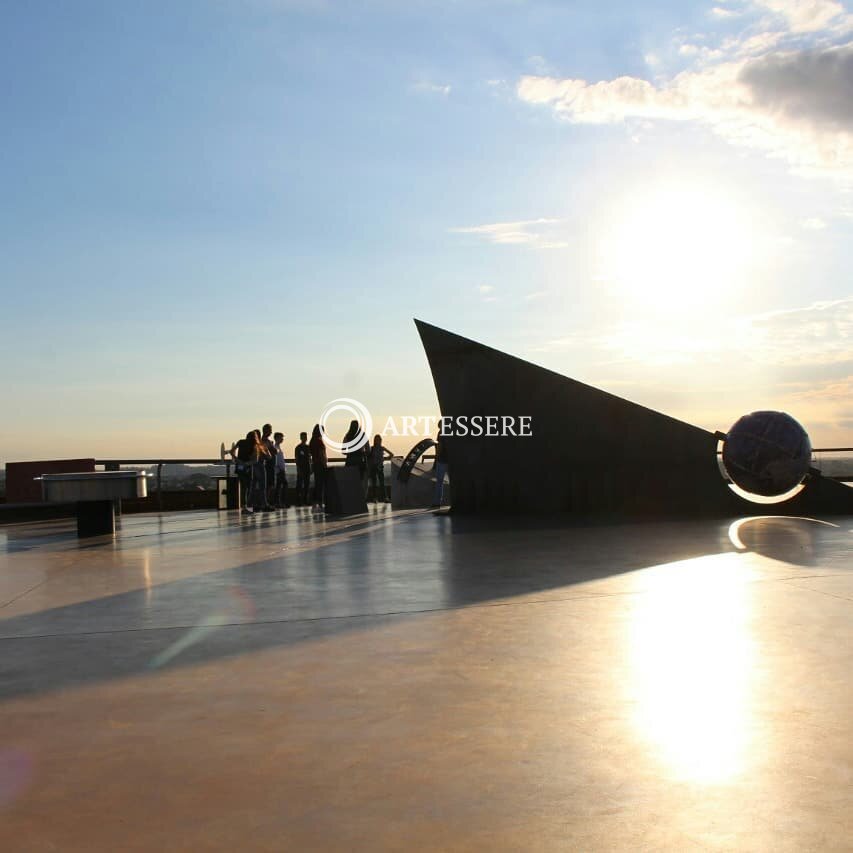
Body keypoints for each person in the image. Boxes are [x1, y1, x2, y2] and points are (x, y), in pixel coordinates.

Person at [234, 430, 264, 513]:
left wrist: (237, 460)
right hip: (248, 468)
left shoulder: (240, 442)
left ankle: (243, 506)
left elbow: (232, 451)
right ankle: (247, 507)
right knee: (248, 488)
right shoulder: (255, 445)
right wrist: (246, 463)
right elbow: (255, 460)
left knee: (243, 487)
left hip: (239, 467)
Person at [343, 419, 368, 492]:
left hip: (350, 461)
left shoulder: (347, 436)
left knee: (350, 481)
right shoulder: (363, 436)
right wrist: (362, 453)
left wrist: (350, 452)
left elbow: (343, 451)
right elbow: (368, 449)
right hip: (360, 461)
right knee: (360, 480)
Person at [309, 424, 327, 511]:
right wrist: (324, 463)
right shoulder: (319, 441)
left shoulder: (312, 441)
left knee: (317, 484)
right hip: (320, 464)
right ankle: (320, 503)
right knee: (320, 484)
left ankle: (315, 503)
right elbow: (321, 454)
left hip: (315, 464)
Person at [367, 434, 388, 502]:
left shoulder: (378, 448)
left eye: (379, 440)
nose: (378, 441)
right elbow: (369, 458)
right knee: (375, 483)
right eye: (377, 440)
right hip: (374, 467)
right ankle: (376, 498)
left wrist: (383, 459)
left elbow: (391, 454)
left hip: (379, 466)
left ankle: (383, 498)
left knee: (381, 483)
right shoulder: (374, 448)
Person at [261, 424, 276, 510]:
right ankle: (265, 503)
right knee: (267, 485)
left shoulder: (267, 441)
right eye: (270, 430)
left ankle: (266, 502)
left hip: (270, 465)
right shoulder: (265, 441)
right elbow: (273, 451)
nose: (271, 432)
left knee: (270, 485)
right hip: (267, 465)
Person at [294, 431, 312, 506]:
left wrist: (310, 467)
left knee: (306, 485)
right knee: (300, 484)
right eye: (303, 437)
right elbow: (297, 458)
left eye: (305, 437)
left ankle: (305, 500)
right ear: (301, 438)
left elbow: (310, 458)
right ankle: (298, 500)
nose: (305, 438)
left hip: (307, 467)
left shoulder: (308, 447)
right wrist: (298, 468)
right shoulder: (298, 448)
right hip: (301, 468)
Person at [432, 432, 449, 508]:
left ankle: (437, 502)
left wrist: (437, 457)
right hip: (451, 460)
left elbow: (440, 446)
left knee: (439, 482)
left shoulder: (441, 433)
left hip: (442, 460)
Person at [273, 431, 289, 509]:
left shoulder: (278, 447)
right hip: (279, 470)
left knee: (279, 486)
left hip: (281, 470)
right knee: (283, 485)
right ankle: (281, 502)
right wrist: (279, 469)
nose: (282, 439)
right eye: (281, 437)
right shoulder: (275, 447)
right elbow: (276, 460)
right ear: (277, 438)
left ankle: (279, 502)